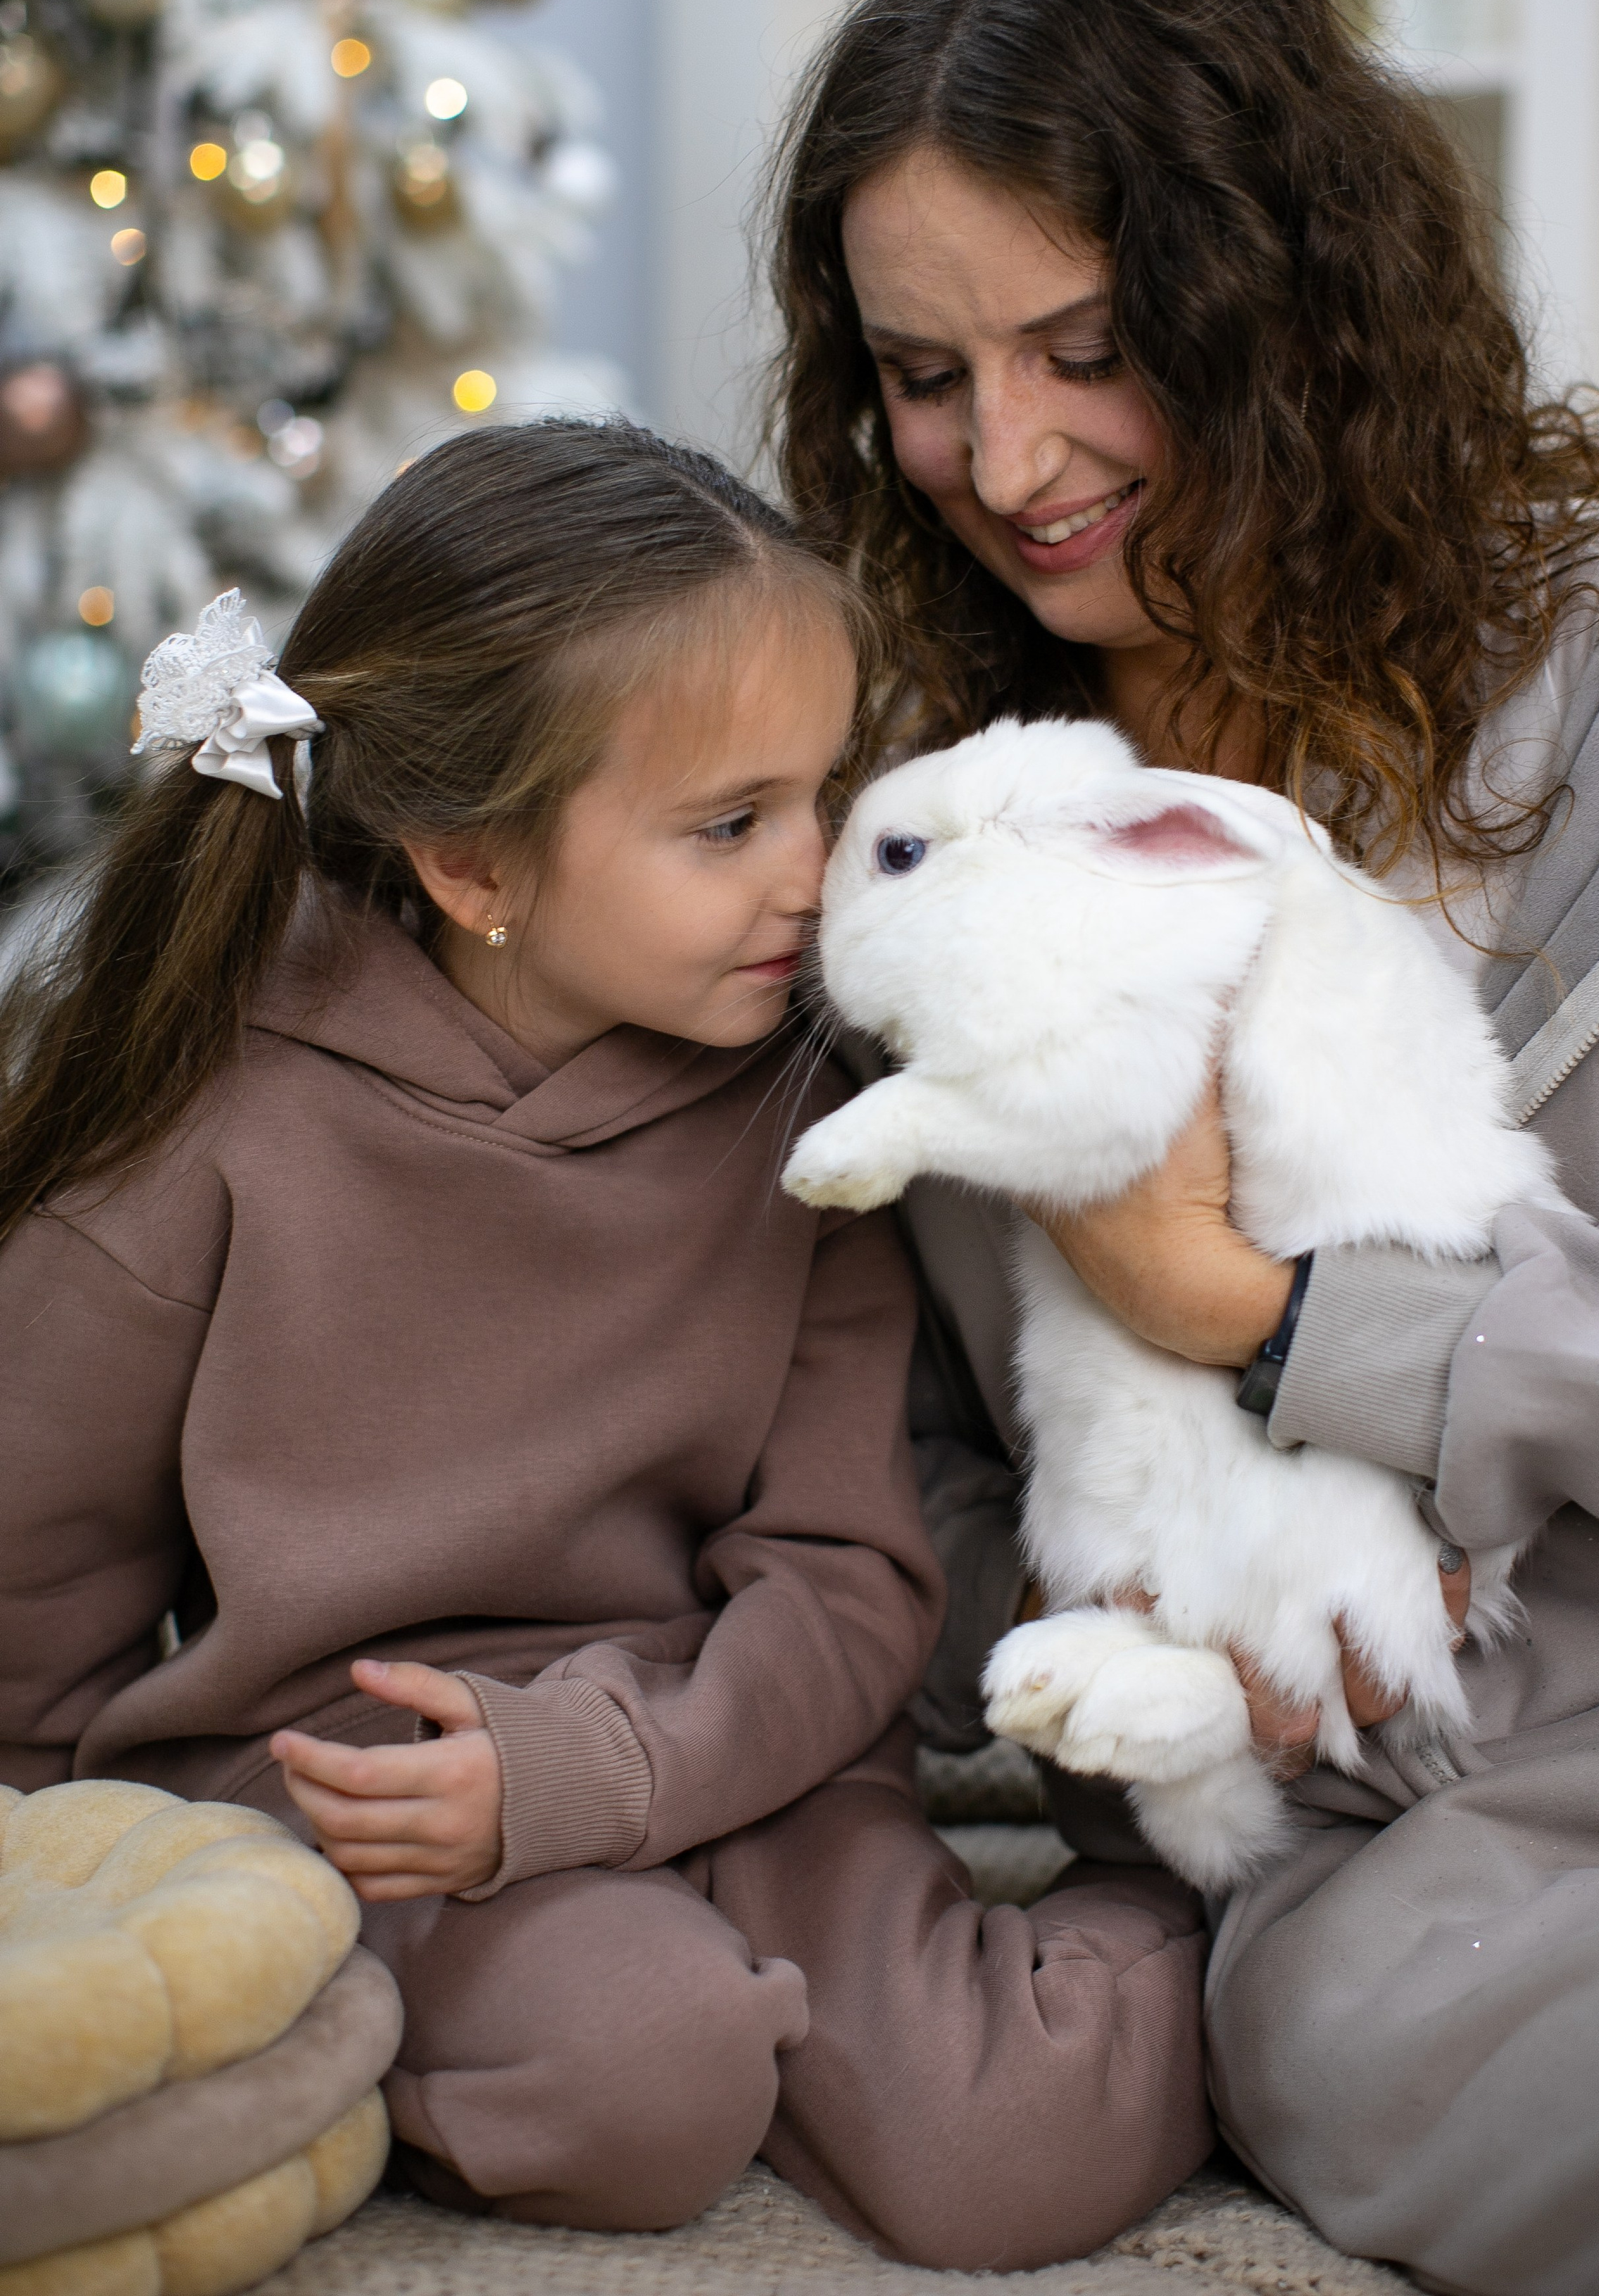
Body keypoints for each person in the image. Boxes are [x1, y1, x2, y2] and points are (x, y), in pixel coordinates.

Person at [765, 0, 1599, 2296]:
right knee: (1335, 2026)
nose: (1009, 462)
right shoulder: (940, 828)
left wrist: (1283, 1317)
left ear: (1286, 294)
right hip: (1437, 1846)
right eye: (928, 376)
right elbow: (900, 1457)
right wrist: (1130, 1616)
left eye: (1088, 343)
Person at [0, 419, 1209, 2273]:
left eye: (821, 793)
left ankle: (1270, 1944)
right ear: (477, 864)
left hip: (746, 1746)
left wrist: (614, 1774)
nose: (817, 875)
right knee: (646, 2073)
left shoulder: (809, 1105)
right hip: (362, 1796)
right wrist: (115, 1893)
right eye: (733, 825)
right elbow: (38, 1588)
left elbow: (843, 1587)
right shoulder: (209, 1123)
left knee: (1015, 2150)